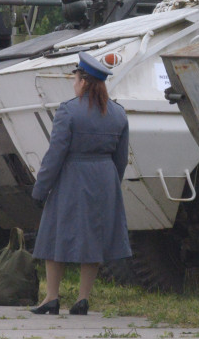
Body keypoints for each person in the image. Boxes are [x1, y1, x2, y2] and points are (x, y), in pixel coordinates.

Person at [30, 52, 131, 316]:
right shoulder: (118, 114)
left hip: (72, 176)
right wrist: (111, 184)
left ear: (83, 81)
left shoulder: (68, 111)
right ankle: (82, 299)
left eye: (75, 78)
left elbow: (55, 154)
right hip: (105, 177)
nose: (74, 83)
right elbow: (121, 158)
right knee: (94, 239)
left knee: (55, 234)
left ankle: (52, 297)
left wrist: (41, 188)